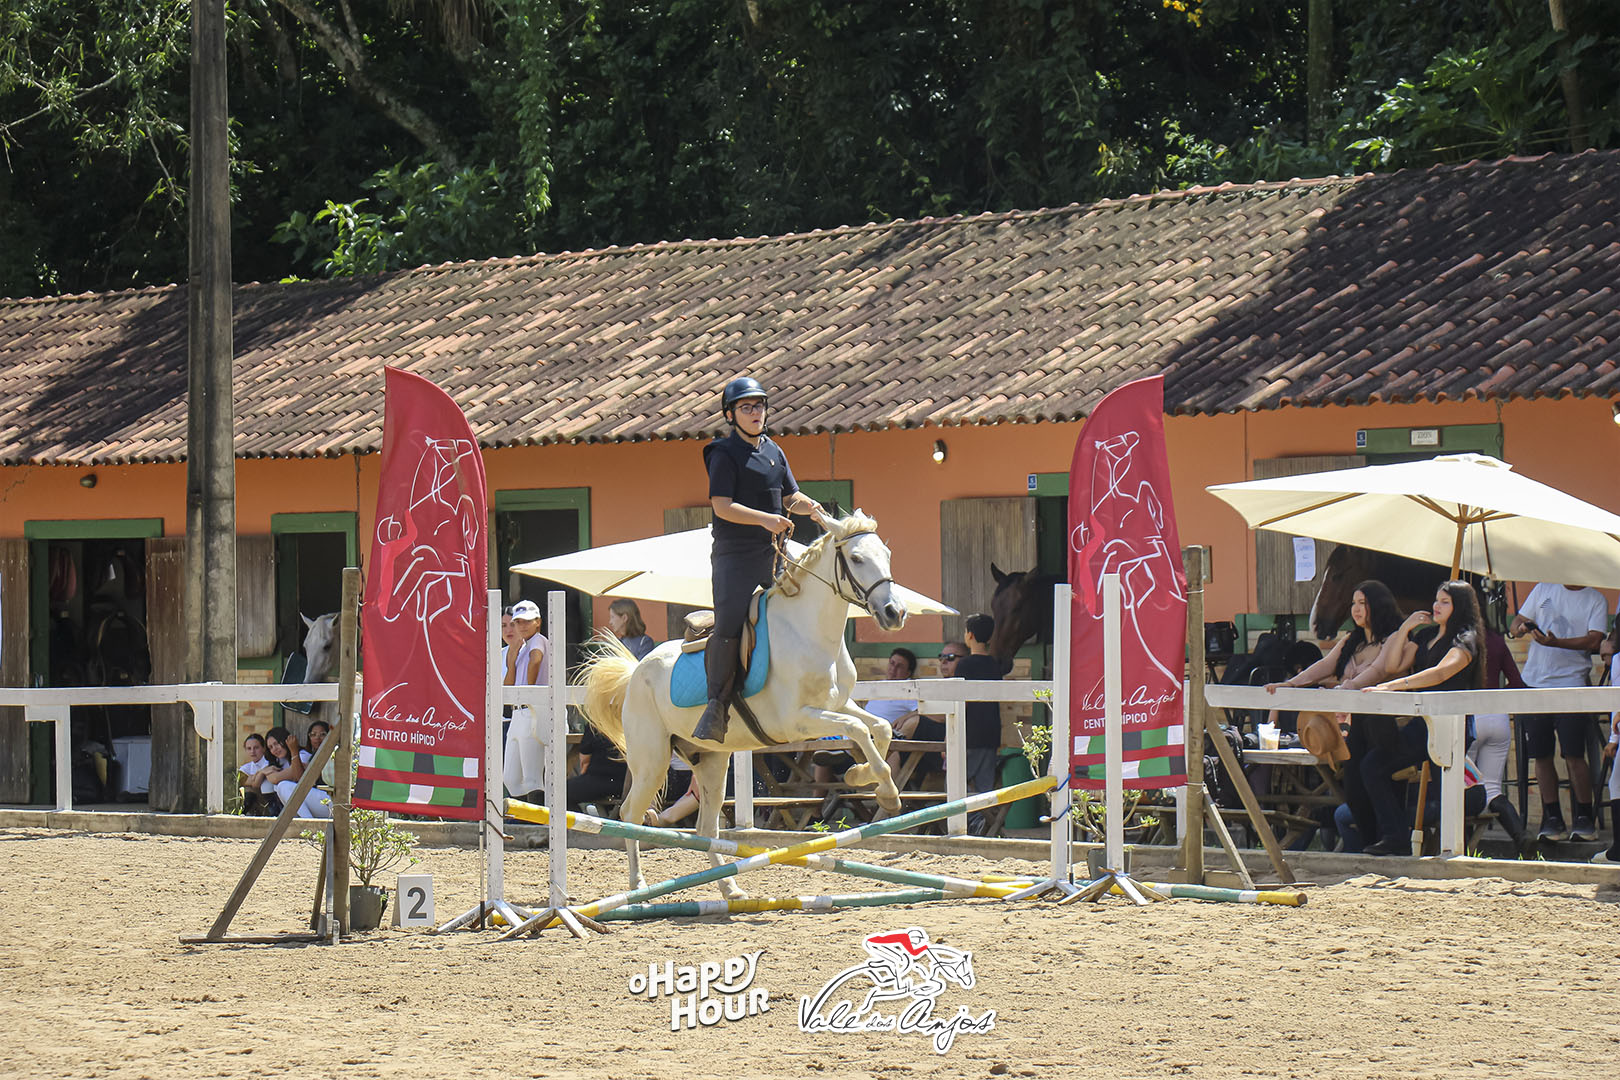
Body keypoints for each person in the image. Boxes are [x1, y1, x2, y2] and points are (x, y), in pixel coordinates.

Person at [692, 376, 823, 742]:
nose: (755, 413)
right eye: (747, 407)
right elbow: (722, 506)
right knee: (730, 623)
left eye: (760, 406)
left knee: (797, 608)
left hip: (772, 553)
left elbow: (790, 497)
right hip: (734, 557)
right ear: (731, 415)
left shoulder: (774, 451)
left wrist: (809, 507)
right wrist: (765, 519)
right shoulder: (722, 452)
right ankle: (716, 706)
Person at [1360, 581, 1487, 854]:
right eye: (1436, 600)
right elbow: (1392, 664)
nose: (1436, 606)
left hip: (1452, 725)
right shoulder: (1427, 634)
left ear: (1459, 606)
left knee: (1445, 791)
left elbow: (1442, 672)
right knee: (1373, 765)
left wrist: (1394, 686)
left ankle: (1451, 850)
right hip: (1423, 723)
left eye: (1445, 602)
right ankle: (1395, 837)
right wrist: (1406, 628)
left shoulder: (1466, 638)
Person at [1510, 582, 1608, 842]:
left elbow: (1594, 639)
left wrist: (1557, 643)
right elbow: (1518, 619)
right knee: (1541, 754)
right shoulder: (1544, 589)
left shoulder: (1595, 598)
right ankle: (1552, 816)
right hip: (1534, 681)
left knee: (1574, 753)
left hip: (1572, 682)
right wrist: (1519, 628)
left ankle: (1584, 816)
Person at [503, 599, 550, 798]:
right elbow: (508, 685)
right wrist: (512, 659)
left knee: (532, 778)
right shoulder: (521, 647)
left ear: (537, 622)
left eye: (526, 621)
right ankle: (526, 821)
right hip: (518, 711)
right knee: (511, 779)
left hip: (531, 710)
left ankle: (536, 824)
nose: (521, 626)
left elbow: (536, 659)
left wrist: (529, 690)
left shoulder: (538, 640)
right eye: (518, 622)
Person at [955, 614, 1003, 804]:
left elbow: (961, 701)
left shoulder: (964, 664)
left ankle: (969, 821)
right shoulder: (994, 664)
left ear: (970, 635)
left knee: (957, 781)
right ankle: (984, 824)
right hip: (991, 732)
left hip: (970, 733)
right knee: (985, 785)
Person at [260, 726, 332, 819]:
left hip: (326, 802)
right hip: (313, 804)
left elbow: (296, 776)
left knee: (282, 786)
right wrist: (262, 772)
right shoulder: (281, 760)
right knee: (268, 785)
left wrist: (294, 751)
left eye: (277, 743)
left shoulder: (303, 755)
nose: (275, 749)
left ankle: (308, 822)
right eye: (271, 747)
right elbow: (256, 781)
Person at [567, 722, 627, 813]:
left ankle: (578, 824)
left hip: (598, 780)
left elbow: (585, 762)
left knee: (558, 793)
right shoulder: (633, 721)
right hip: (627, 785)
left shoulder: (595, 724)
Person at [237, 733, 279, 816]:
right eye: (249, 748)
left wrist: (254, 778)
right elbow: (242, 781)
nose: (252, 751)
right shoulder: (246, 768)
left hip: (270, 803)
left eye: (256, 748)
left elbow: (256, 784)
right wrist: (262, 772)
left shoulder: (270, 763)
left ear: (263, 748)